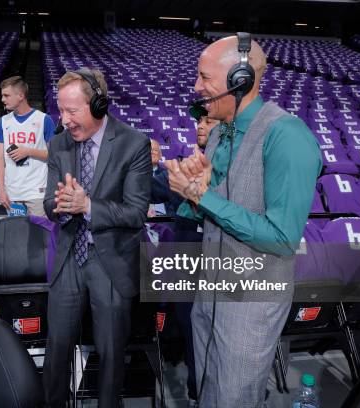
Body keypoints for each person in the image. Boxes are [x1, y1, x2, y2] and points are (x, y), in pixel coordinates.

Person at [166, 33, 321, 407]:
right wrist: (194, 192)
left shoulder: (288, 136)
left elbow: (281, 238)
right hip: (209, 293)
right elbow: (213, 209)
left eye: (205, 78)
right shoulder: (219, 133)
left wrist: (201, 195)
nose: (196, 86)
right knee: (206, 394)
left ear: (241, 79)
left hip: (251, 304)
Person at [43, 68, 151, 408]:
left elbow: (135, 212)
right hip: (68, 261)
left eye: (71, 111)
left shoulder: (133, 144)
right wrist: (60, 205)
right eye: (60, 110)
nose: (64, 120)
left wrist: (87, 205)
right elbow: (49, 202)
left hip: (111, 262)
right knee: (57, 348)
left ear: (99, 105)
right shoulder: (58, 142)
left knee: (110, 353)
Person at [0, 76, 55, 217]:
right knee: (17, 236)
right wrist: (1, 190)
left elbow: (54, 155)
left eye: (6, 95)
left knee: (40, 235)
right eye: (2, 95)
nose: (2, 99)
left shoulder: (44, 119)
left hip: (37, 192)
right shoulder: (3, 122)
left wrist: (28, 151)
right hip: (12, 193)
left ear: (21, 95)